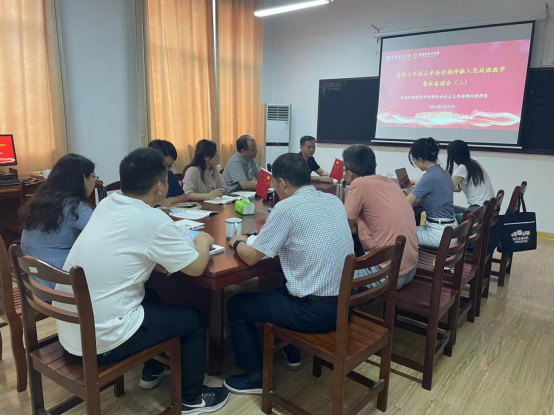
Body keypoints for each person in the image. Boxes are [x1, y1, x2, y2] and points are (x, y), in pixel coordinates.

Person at [54, 148, 229, 414]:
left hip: (72, 328)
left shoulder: (107, 203)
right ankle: (192, 398)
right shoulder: (152, 219)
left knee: (155, 296)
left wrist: (154, 260)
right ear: (160, 187)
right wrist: (203, 242)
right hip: (99, 341)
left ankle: (153, 369)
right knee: (194, 320)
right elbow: (195, 268)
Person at [223, 153, 354, 395]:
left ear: (282, 182)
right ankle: (291, 350)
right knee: (279, 286)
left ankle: (255, 377)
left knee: (237, 305)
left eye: (274, 183)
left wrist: (238, 241)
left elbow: (251, 257)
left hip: (315, 313)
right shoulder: (333, 200)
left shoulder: (286, 208)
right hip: (346, 305)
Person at [343, 145, 419, 289]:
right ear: (375, 165)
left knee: (331, 273)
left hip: (386, 274)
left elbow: (344, 227)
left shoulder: (359, 184)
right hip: (410, 270)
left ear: (350, 173)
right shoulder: (390, 182)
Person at [20, 154, 96, 289]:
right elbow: (104, 234)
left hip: (33, 279)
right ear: (83, 178)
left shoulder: (39, 201)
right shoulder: (75, 209)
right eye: (93, 177)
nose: (95, 182)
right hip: (58, 280)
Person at [405, 137, 456, 248]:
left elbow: (406, 204)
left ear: (420, 159)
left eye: (413, 160)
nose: (415, 163)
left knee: (399, 234)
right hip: (449, 228)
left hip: (439, 233)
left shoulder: (429, 176)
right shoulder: (443, 173)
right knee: (405, 229)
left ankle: (410, 259)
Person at [446, 140, 494, 223]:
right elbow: (457, 188)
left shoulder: (462, 168)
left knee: (445, 217)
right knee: (449, 210)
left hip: (478, 210)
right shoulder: (474, 164)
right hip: (485, 209)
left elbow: (446, 187)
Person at [148, 139, 188, 207]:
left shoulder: (170, 175)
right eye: (165, 165)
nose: (167, 169)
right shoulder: (143, 178)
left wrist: (170, 200)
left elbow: (184, 197)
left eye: (170, 165)